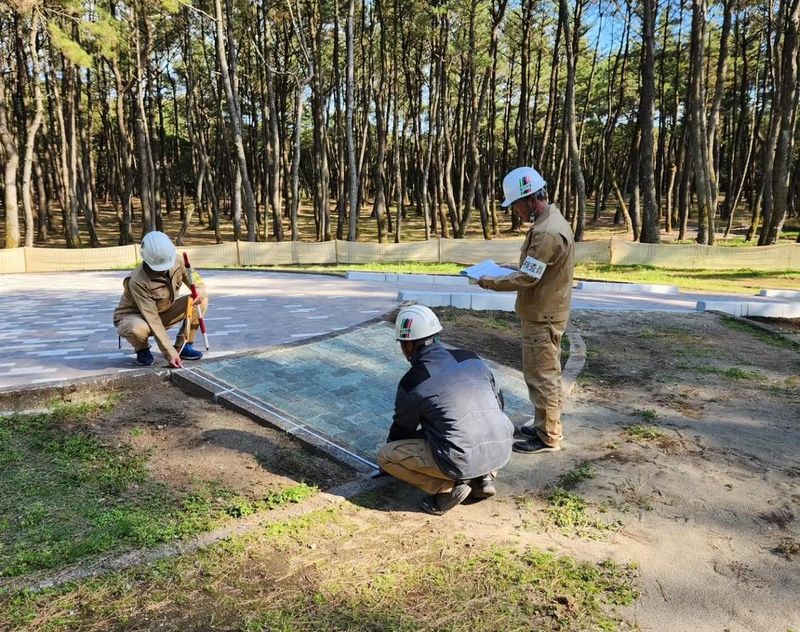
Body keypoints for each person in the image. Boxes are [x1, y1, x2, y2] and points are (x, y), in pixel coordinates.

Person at [377, 305, 515, 516]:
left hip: (460, 458)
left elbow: (402, 430)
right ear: (437, 335)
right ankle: (485, 476)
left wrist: (388, 461)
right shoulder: (471, 357)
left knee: (386, 456)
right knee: (474, 425)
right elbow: (499, 403)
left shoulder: (414, 381)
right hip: (502, 446)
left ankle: (447, 489)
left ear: (408, 345)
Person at [478, 166, 575, 455]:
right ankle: (544, 424)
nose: (515, 212)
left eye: (516, 205)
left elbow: (528, 278)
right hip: (544, 311)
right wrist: (509, 269)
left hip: (542, 316)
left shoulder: (546, 233)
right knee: (545, 373)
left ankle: (548, 437)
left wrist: (489, 280)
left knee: (541, 376)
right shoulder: (550, 222)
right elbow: (535, 269)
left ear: (531, 200)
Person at [113, 231, 208, 368]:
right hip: (134, 317)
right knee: (137, 328)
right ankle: (142, 349)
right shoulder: (137, 281)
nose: (163, 270)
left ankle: (184, 346)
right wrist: (169, 353)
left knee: (201, 300)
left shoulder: (179, 261)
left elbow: (197, 281)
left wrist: (198, 292)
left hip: (163, 311)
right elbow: (152, 318)